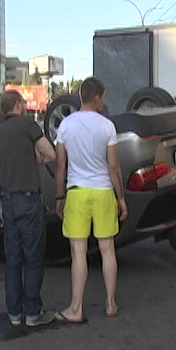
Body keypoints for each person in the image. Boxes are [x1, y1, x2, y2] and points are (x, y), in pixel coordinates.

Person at [54, 77, 128, 322]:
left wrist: (59, 196)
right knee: (107, 249)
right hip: (103, 191)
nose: (103, 101)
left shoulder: (65, 125)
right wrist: (121, 198)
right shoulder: (107, 126)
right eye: (103, 96)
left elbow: (60, 165)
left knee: (78, 252)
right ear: (96, 97)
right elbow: (114, 166)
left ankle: (76, 309)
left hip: (76, 192)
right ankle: (110, 303)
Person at [0, 90, 57, 327]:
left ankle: (13, 313)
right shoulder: (27, 125)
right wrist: (38, 160)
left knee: (13, 259)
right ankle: (32, 313)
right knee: (33, 258)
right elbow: (50, 153)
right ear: (19, 105)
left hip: (8, 202)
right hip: (29, 201)